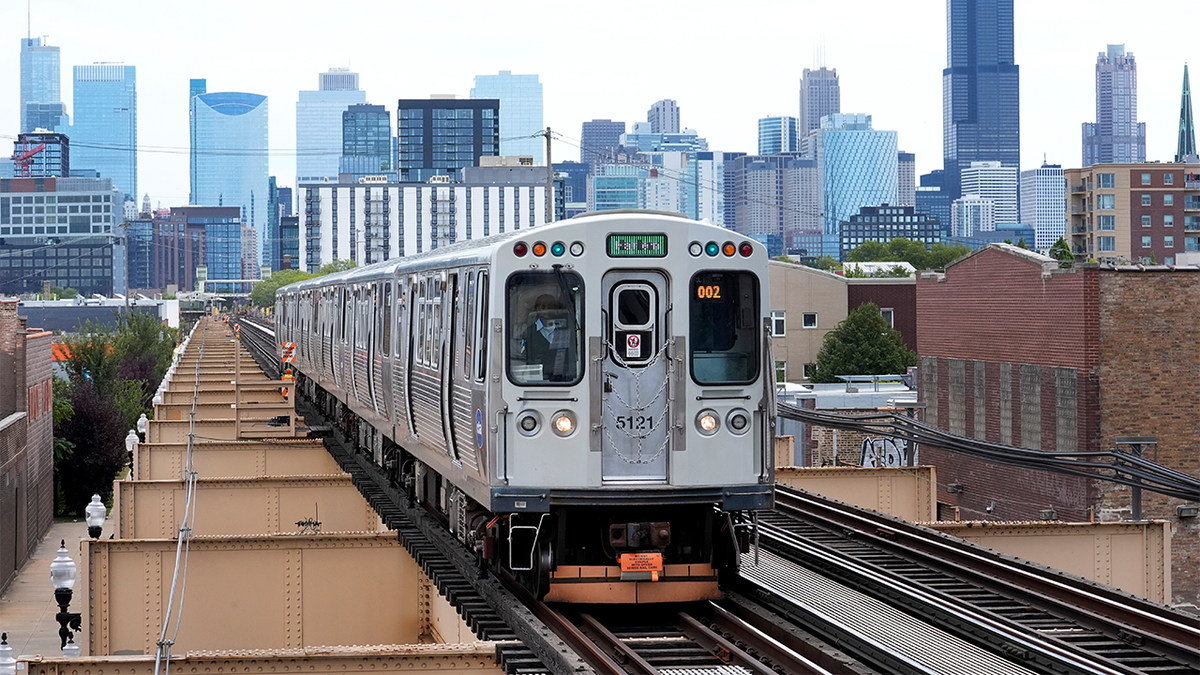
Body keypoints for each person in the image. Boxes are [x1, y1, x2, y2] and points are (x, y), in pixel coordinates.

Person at [524, 294, 572, 381]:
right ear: (536, 309)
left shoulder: (564, 328)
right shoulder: (529, 332)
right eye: (543, 307)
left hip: (564, 380)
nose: (547, 310)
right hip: (537, 381)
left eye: (551, 306)